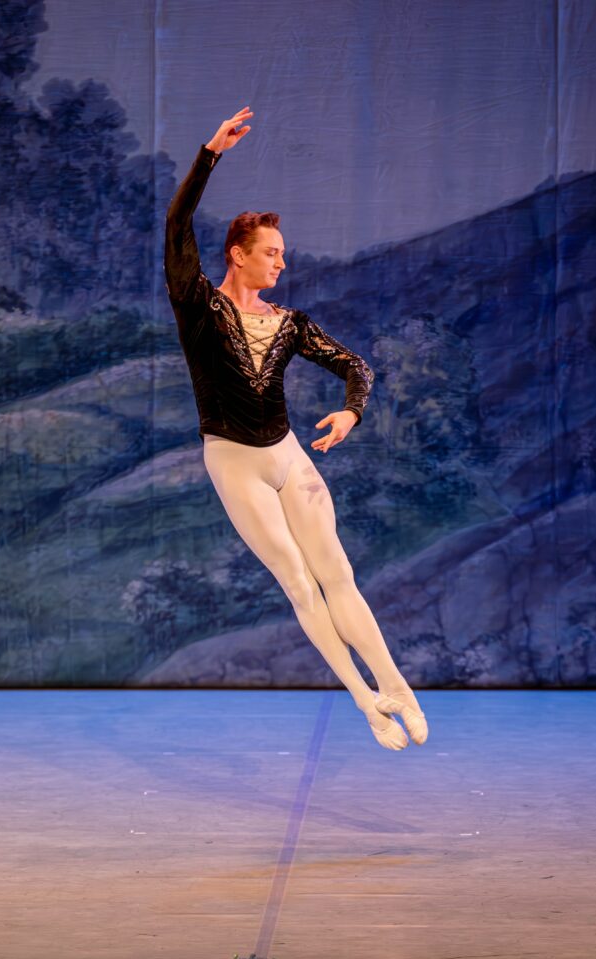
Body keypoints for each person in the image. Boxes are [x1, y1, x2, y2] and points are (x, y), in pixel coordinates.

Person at [164, 106, 428, 750]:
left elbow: (356, 365)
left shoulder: (290, 323)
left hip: (286, 455)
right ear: (239, 255)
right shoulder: (198, 305)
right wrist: (209, 155)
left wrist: (351, 410)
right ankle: (366, 702)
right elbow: (176, 225)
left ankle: (396, 686)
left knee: (337, 572)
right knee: (299, 582)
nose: (282, 263)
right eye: (272, 253)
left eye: (283, 254)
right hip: (234, 460)